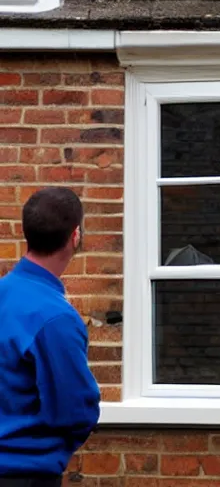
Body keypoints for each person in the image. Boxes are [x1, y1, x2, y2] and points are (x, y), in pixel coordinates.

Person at [0, 187, 100, 486]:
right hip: (23, 474)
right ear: (75, 236)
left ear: (25, 232)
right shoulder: (55, 318)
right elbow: (75, 412)